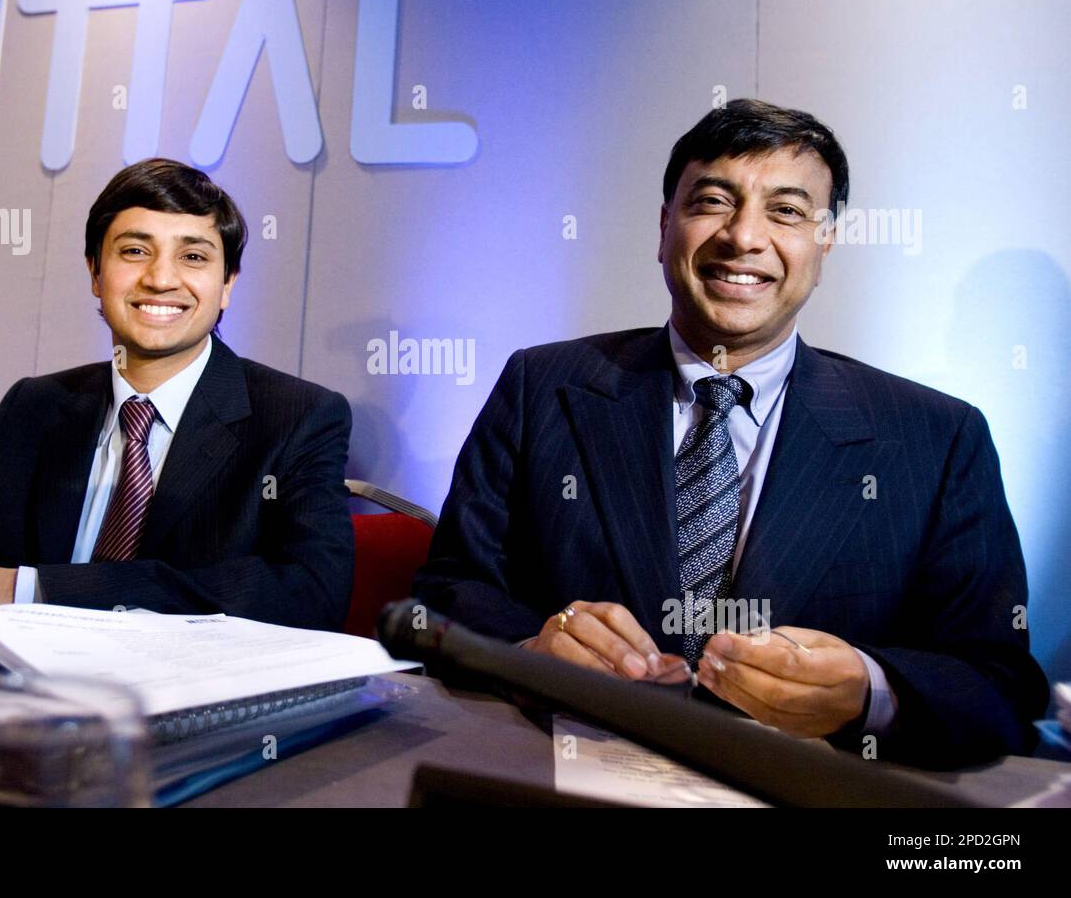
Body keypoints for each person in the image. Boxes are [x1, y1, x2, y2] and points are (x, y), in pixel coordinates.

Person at [414, 100, 1048, 769]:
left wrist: (869, 688)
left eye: (786, 211)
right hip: (558, 780)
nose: (743, 236)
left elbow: (998, 683)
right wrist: (530, 652)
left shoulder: (938, 437)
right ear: (665, 227)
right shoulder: (540, 386)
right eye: (713, 201)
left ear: (825, 241)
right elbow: (445, 595)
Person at [0, 159, 354, 641]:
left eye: (193, 257)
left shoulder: (298, 417)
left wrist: (21, 589)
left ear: (228, 282)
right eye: (134, 250)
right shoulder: (36, 408)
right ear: (94, 272)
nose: (161, 278)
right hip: (11, 711)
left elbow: (310, 596)